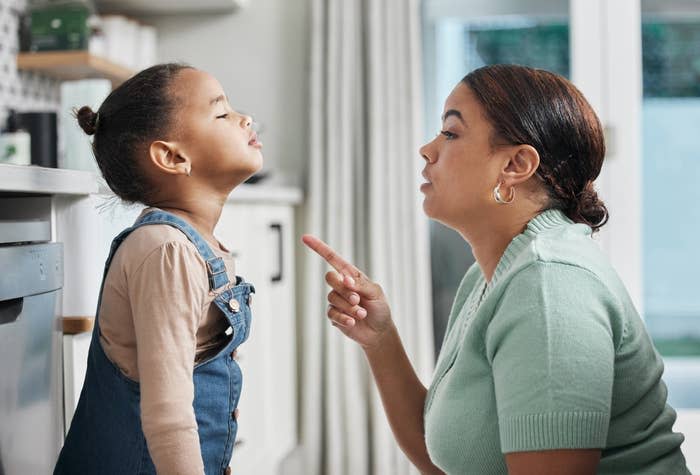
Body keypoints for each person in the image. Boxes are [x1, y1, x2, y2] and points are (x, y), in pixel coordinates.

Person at [302, 64, 690, 474]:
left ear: (516, 164)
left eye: (450, 133)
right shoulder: (492, 275)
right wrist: (380, 340)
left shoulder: (548, 284)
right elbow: (452, 460)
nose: (427, 149)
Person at [54, 63, 262, 475]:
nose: (245, 118)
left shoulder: (192, 246)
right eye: (221, 113)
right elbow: (168, 417)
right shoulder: (165, 251)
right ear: (172, 157)